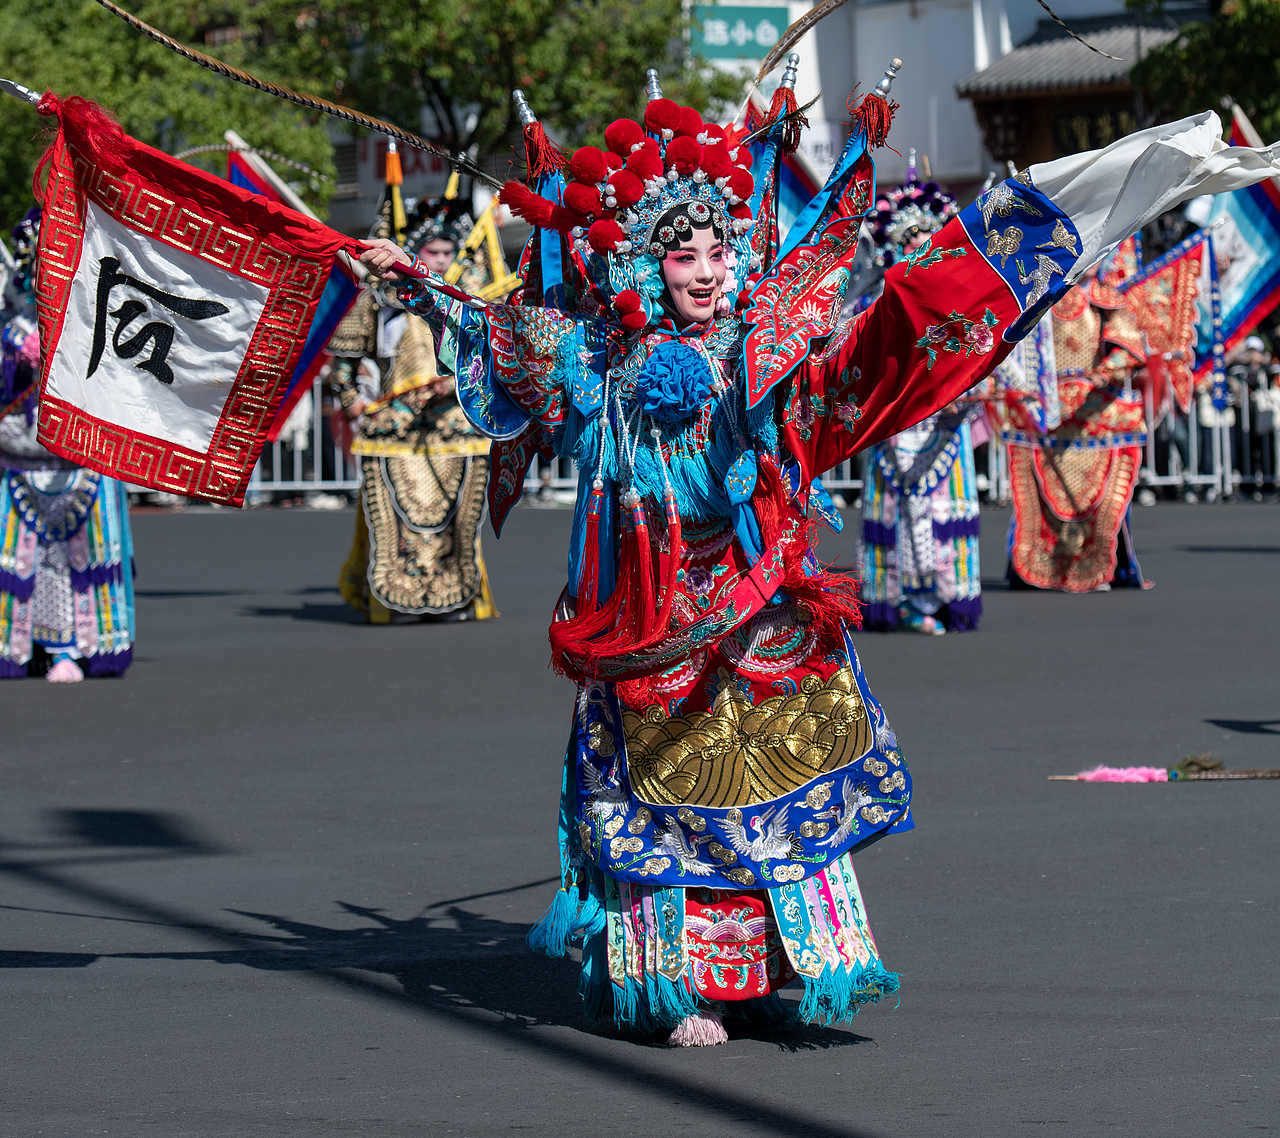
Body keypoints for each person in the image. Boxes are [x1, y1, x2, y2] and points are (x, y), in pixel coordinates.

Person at [358, 78, 1279, 1044]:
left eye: (721, 251)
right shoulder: (596, 360)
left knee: (783, 787)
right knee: (675, 805)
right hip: (654, 615)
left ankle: (779, 962)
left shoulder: (766, 351)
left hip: (764, 607)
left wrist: (976, 265)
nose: (707, 271)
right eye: (684, 253)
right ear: (643, 260)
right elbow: (499, 333)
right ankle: (684, 984)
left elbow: (873, 358)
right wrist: (413, 280)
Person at [330, 197, 498, 623]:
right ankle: (396, 600)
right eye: (432, 253)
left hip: (457, 427)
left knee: (456, 521)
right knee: (396, 520)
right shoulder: (379, 297)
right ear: (414, 254)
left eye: (447, 253)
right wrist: (354, 406)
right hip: (394, 429)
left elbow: (492, 357)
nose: (440, 261)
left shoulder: (470, 302)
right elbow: (343, 362)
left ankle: (454, 598)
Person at [1, 211, 135, 680]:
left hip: (81, 456)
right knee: (22, 558)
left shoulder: (98, 312)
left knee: (78, 558)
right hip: (18, 454)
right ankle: (23, 645)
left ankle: (72, 646)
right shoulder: (10, 322)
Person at [857, 174, 983, 633]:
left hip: (943, 420)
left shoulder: (960, 298)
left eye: (929, 242)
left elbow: (981, 352)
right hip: (896, 418)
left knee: (942, 507)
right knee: (898, 508)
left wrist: (965, 391)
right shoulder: (880, 297)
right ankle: (902, 598)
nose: (920, 250)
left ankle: (945, 595)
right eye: (912, 242)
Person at [1000, 242, 1149, 592]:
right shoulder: (1038, 300)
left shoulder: (1107, 300)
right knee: (1039, 497)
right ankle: (1045, 567)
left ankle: (1096, 564)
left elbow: (1130, 350)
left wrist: (1099, 375)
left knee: (1100, 500)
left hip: (1094, 412)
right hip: (1045, 415)